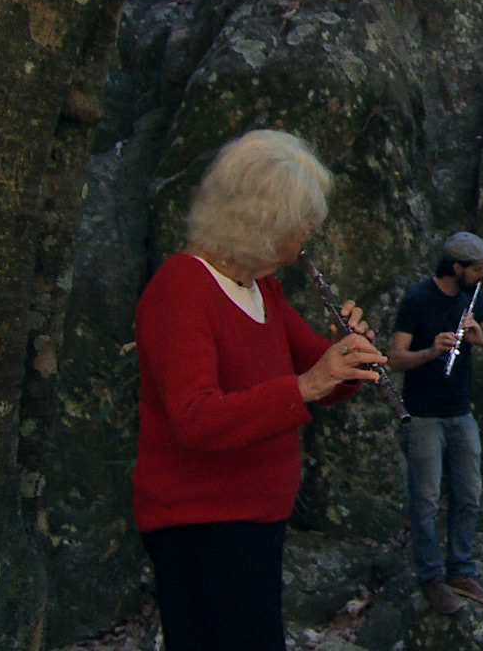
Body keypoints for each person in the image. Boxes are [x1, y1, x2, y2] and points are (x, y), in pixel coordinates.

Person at [134, 130, 386, 651]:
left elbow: (316, 379)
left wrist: (345, 358)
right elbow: (195, 418)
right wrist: (311, 382)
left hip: (254, 519)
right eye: (302, 222)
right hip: (202, 524)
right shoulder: (183, 288)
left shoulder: (260, 287)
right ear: (264, 221)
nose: (308, 235)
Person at [390, 231, 483, 614]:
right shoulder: (417, 299)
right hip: (423, 415)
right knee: (425, 501)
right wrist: (430, 351)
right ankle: (431, 577)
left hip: (461, 414)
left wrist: (479, 339)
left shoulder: (474, 300)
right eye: (478, 269)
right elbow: (394, 358)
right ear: (456, 267)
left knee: (469, 495)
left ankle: (461, 570)